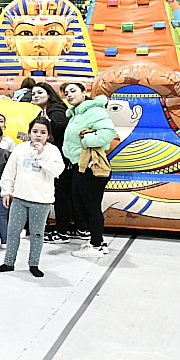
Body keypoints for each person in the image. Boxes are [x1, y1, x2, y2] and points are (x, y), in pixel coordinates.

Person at [0, 116, 63, 278]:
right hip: (20, 198)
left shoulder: (52, 151)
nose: (38, 135)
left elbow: (56, 171)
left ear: (48, 135)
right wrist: (6, 191)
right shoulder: (21, 149)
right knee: (13, 231)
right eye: (35, 131)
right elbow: (10, 171)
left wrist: (42, 154)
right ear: (29, 133)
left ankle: (34, 264)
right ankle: (9, 262)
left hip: (41, 201)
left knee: (37, 233)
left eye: (43, 132)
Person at [61, 82, 117, 258]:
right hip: (80, 165)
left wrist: (86, 141)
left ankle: (96, 245)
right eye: (66, 92)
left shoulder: (94, 111)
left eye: (74, 91)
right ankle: (97, 240)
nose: (69, 95)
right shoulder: (76, 114)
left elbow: (108, 132)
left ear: (84, 92)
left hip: (92, 167)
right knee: (82, 205)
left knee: (91, 206)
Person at [29, 83, 74, 242]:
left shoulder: (55, 110)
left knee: (62, 196)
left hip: (61, 160)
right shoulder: (46, 110)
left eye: (39, 92)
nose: (35, 96)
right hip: (56, 158)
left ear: (49, 94)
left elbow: (61, 126)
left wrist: (50, 123)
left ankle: (62, 231)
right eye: (33, 93)